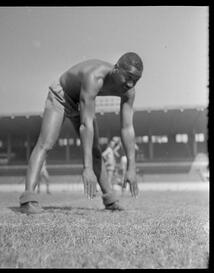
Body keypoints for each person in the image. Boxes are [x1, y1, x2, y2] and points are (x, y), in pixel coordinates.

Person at [19, 52, 143, 214]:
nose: (130, 83)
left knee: (96, 151)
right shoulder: (94, 77)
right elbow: (86, 125)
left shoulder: (129, 90)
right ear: (116, 69)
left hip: (83, 102)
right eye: (128, 77)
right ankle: (28, 198)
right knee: (46, 143)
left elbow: (127, 128)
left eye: (136, 80)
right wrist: (87, 168)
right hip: (61, 96)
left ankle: (110, 200)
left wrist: (131, 168)